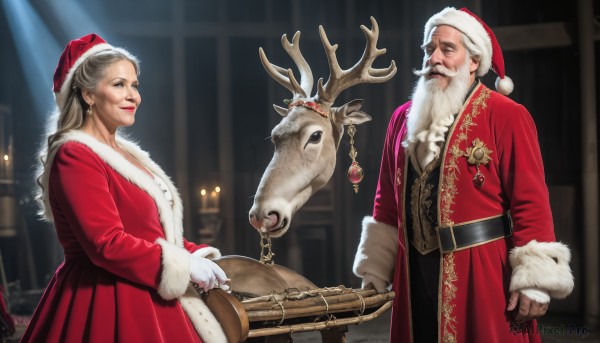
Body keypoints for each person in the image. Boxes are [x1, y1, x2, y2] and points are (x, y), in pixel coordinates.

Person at [352, 7, 574, 343]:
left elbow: (530, 202)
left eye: (447, 49)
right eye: (429, 49)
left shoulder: (507, 116)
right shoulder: (401, 119)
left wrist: (535, 282)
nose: (434, 58)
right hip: (413, 275)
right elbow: (387, 202)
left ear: (474, 61)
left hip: (482, 273)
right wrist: (375, 271)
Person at [21, 33, 229, 343]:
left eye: (135, 85)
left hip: (152, 290)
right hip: (105, 299)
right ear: (88, 94)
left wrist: (203, 257)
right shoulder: (74, 153)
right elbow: (105, 243)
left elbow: (152, 234)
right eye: (119, 85)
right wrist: (184, 266)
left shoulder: (128, 155)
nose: (133, 96)